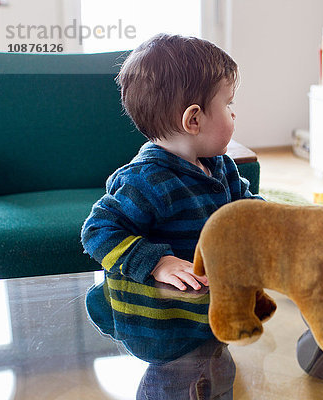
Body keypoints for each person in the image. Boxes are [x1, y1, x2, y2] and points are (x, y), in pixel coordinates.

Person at [81, 33, 260, 363]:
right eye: (228, 104)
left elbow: (246, 208)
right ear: (193, 119)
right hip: (160, 329)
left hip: (206, 314)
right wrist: (157, 262)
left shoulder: (221, 167)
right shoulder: (145, 180)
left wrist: (274, 223)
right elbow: (98, 232)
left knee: (220, 380)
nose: (233, 114)